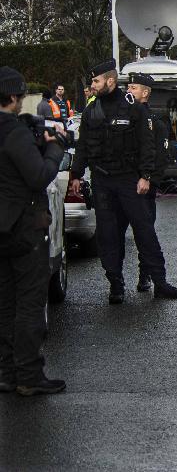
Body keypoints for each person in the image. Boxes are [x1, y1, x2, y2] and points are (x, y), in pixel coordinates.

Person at [69, 60, 177, 304]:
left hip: (129, 181)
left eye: (96, 81)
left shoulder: (133, 108)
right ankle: (115, 283)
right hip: (102, 180)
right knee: (108, 234)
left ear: (110, 81)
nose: (92, 85)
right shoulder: (92, 110)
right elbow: (82, 146)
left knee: (144, 231)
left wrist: (146, 176)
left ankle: (160, 282)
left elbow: (147, 144)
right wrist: (76, 174)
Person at [0, 66, 67, 396]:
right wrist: (55, 151)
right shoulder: (13, 132)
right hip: (23, 229)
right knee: (29, 302)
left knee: (5, 302)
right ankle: (28, 374)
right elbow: (38, 176)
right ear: (13, 98)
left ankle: (7, 372)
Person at [126, 73, 170, 293]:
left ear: (145, 93)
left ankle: (145, 275)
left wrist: (151, 181)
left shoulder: (155, 121)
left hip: (144, 187)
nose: (128, 91)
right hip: (123, 184)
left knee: (144, 232)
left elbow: (160, 157)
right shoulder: (123, 118)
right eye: (128, 86)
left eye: (133, 87)